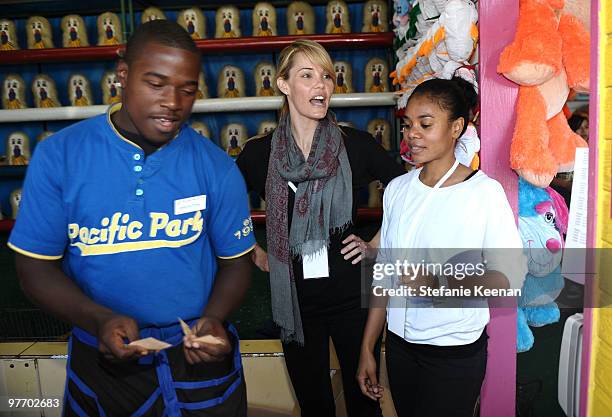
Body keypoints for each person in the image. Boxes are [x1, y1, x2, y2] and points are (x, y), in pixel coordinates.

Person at [9, 20, 255, 417]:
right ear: (123, 75)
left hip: (195, 360)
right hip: (103, 359)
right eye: (156, 84)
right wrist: (99, 319)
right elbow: (33, 267)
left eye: (187, 89)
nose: (173, 102)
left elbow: (236, 262)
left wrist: (214, 318)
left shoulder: (215, 166)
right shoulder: (61, 156)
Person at [236, 40, 405, 417]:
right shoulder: (259, 153)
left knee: (365, 403)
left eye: (327, 76)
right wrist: (252, 250)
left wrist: (376, 245)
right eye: (307, 75)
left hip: (351, 297)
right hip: (294, 302)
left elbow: (406, 191)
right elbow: (225, 205)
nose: (321, 85)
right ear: (283, 85)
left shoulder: (355, 145)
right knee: (314, 405)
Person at [357, 77, 527, 417]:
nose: (412, 134)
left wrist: (438, 283)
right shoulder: (398, 191)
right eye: (407, 125)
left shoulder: (484, 194)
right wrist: (368, 348)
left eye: (425, 124)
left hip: (454, 353)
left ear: (456, 128)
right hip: (401, 348)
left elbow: (510, 278)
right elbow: (385, 274)